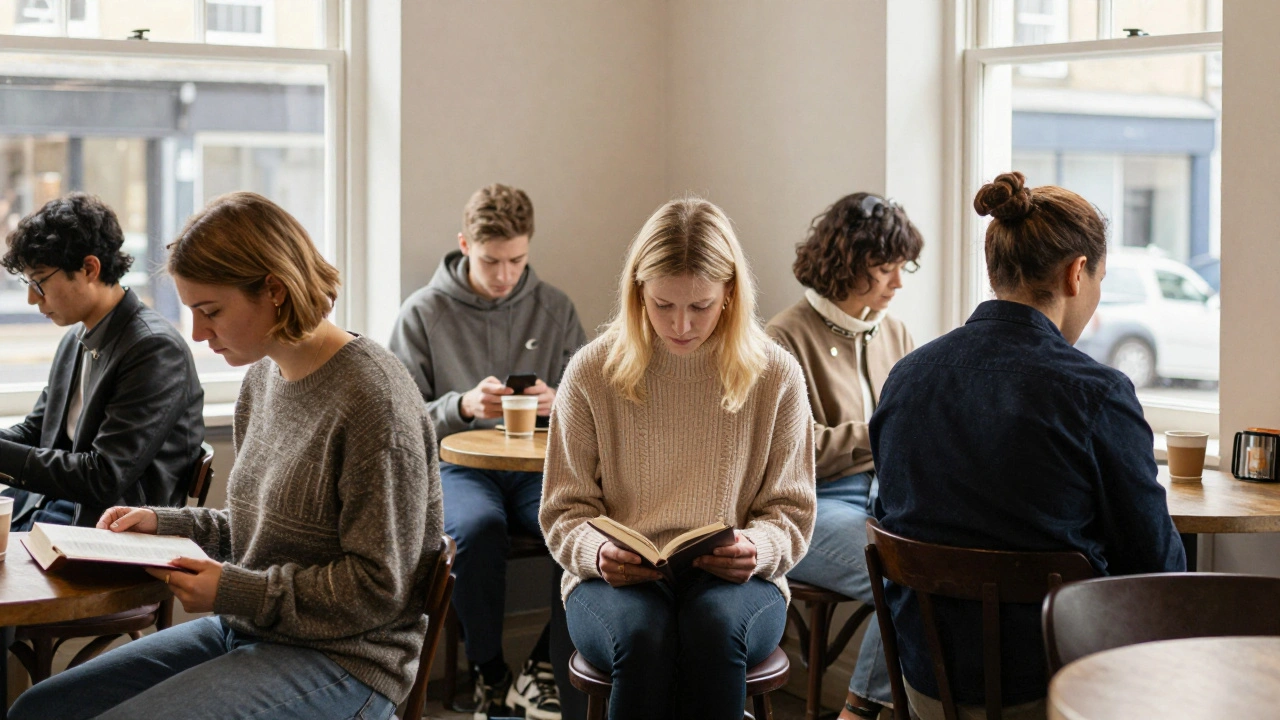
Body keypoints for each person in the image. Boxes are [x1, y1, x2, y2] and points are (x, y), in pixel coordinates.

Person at [9, 192, 444, 720]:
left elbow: (378, 590)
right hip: (253, 629)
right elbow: (255, 528)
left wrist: (234, 590)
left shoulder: (374, 399)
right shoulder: (263, 377)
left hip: (346, 660)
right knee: (40, 709)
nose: (197, 333)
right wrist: (163, 521)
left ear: (275, 292)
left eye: (210, 311)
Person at [869, 172, 1185, 720]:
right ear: (1076, 273)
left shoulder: (907, 377)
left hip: (926, 686)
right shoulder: (1096, 394)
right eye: (1099, 280)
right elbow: (1159, 571)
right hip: (1055, 691)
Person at [540, 197, 817, 720]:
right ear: (637, 292)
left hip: (739, 582)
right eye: (663, 305)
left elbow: (792, 514)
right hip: (611, 581)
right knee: (643, 635)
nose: (682, 325)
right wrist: (598, 553)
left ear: (730, 294)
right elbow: (563, 512)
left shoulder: (776, 375)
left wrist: (756, 549)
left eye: (701, 306)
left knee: (712, 627)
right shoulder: (592, 372)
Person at [389, 183, 586, 719]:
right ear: (464, 245)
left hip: (536, 467)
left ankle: (546, 665)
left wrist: (559, 401)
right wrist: (461, 406)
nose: (504, 275)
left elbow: (594, 407)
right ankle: (490, 673)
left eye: (517, 260)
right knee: (475, 531)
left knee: (583, 533)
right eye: (491, 260)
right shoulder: (422, 313)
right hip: (457, 467)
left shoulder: (555, 308)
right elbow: (398, 422)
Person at [765, 192, 923, 719]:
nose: (897, 284)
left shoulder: (895, 332)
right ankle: (858, 713)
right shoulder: (783, 337)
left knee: (942, 556)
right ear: (847, 264)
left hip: (888, 498)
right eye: (884, 270)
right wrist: (881, 433)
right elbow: (793, 449)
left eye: (903, 269)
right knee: (901, 574)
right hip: (810, 506)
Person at [0, 193, 203, 530]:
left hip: (107, 528)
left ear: (89, 268)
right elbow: (38, 431)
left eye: (39, 281)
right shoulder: (75, 338)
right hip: (56, 510)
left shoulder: (154, 349)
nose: (32, 298)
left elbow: (104, 478)